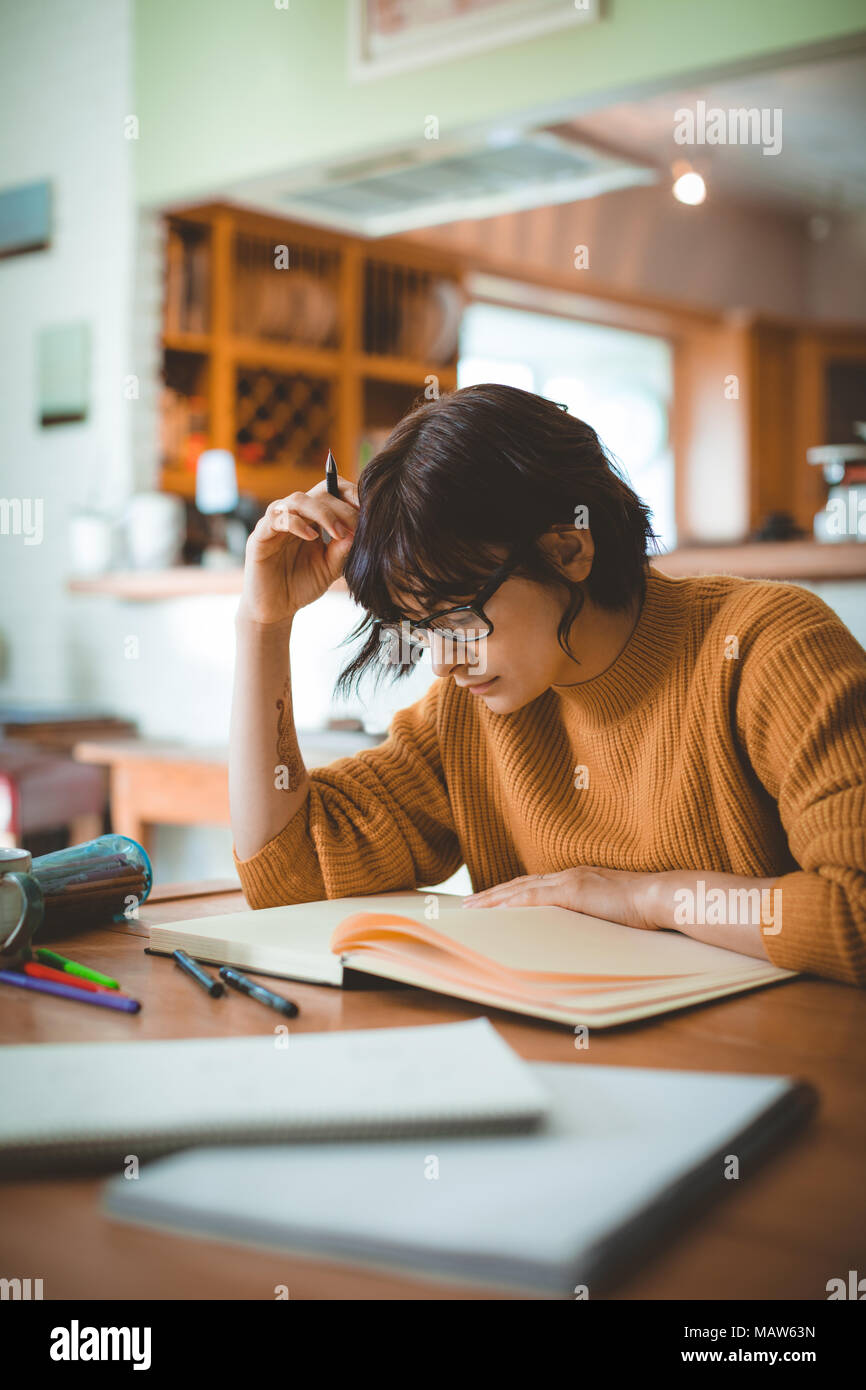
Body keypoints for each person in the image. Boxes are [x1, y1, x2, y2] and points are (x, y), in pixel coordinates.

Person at [229, 384, 866, 986]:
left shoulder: (768, 649)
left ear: (568, 551)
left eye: (456, 617)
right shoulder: (470, 713)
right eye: (419, 629)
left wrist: (640, 897)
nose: (442, 663)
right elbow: (290, 873)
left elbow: (855, 910)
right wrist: (262, 624)